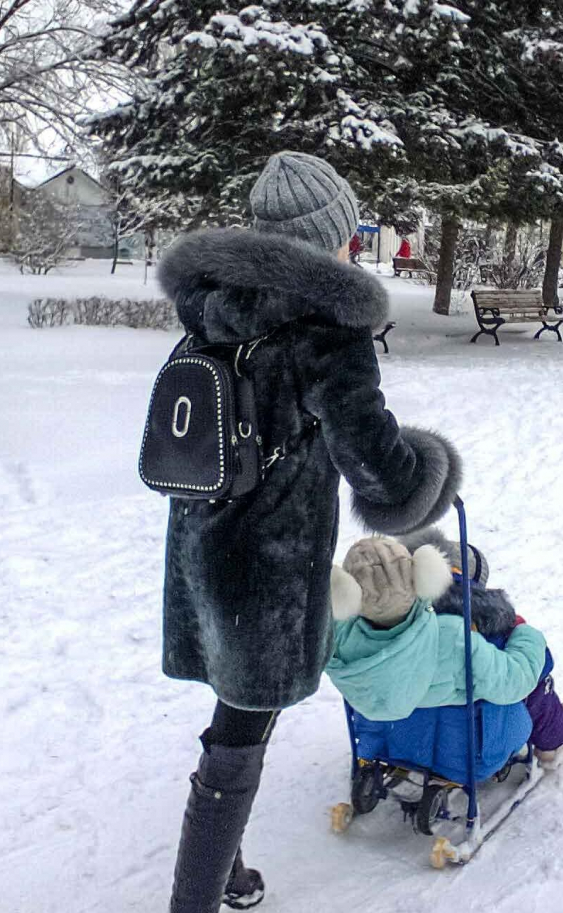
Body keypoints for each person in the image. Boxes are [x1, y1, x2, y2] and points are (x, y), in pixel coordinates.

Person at [156, 150, 462, 913]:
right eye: (346, 229)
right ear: (327, 235)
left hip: (202, 544)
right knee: (239, 731)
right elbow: (387, 480)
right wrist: (432, 463)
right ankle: (194, 899)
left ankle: (222, 871)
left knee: (233, 711)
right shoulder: (324, 332)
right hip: (268, 561)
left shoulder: (215, 311)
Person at [397, 527, 563, 768]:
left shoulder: (377, 627)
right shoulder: (471, 634)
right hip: (465, 750)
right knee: (529, 675)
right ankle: (555, 739)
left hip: (394, 737)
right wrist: (523, 633)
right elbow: (525, 673)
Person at [326, 537, 547, 722]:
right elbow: (516, 680)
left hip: (389, 746)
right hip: (460, 754)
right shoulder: (451, 636)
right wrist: (526, 633)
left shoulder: (337, 642)